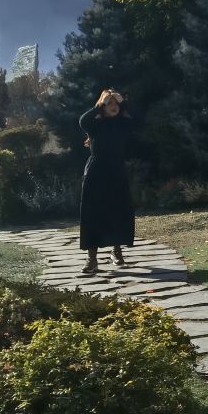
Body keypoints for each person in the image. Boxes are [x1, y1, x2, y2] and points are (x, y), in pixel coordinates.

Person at [77, 89, 135, 275]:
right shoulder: (94, 125)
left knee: (118, 210)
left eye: (116, 103)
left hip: (117, 170)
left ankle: (116, 250)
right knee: (92, 213)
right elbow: (83, 121)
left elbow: (138, 118)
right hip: (96, 171)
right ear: (102, 106)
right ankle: (92, 259)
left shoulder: (124, 124)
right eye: (110, 103)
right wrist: (102, 103)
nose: (113, 106)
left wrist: (122, 101)